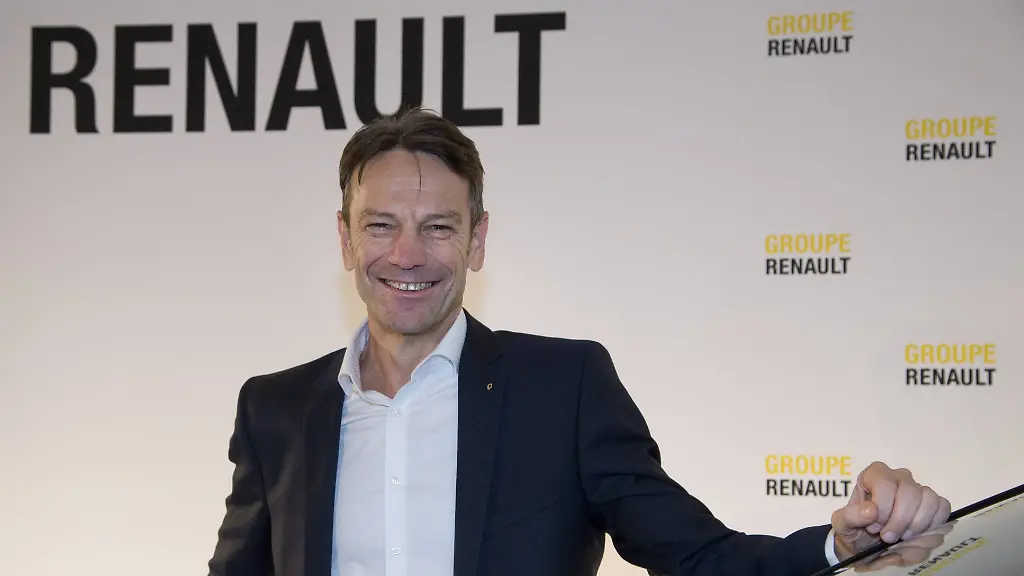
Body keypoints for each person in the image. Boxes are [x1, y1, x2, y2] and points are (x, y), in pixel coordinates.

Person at [207, 107, 952, 576]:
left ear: (477, 241)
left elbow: (698, 556)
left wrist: (838, 547)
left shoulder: (563, 388)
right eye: (380, 226)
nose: (406, 255)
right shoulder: (275, 410)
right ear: (345, 239)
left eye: (438, 227)